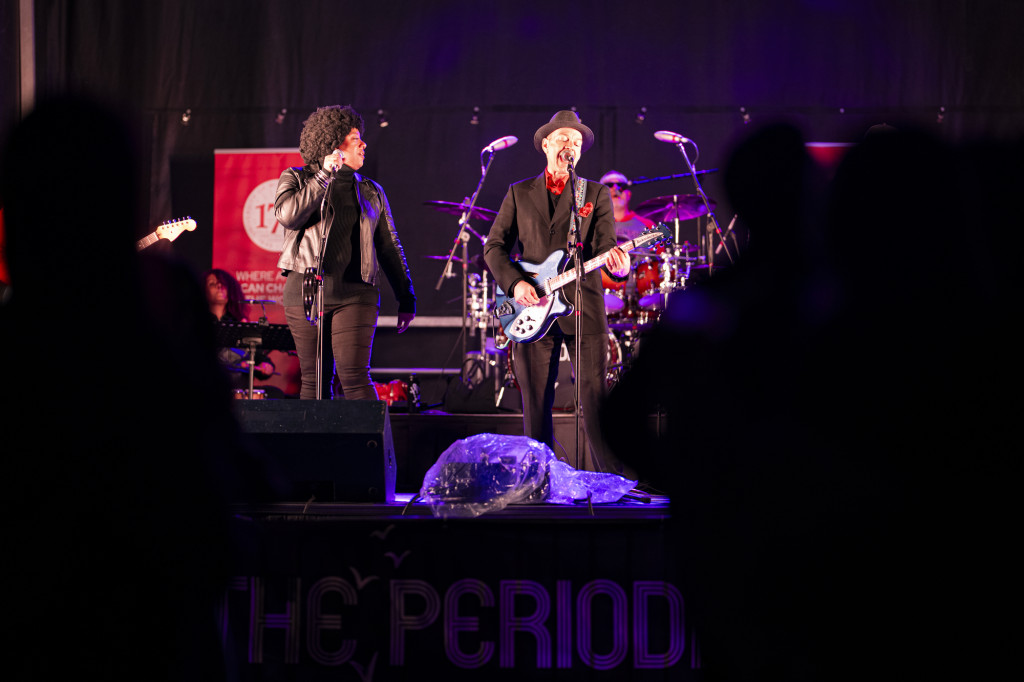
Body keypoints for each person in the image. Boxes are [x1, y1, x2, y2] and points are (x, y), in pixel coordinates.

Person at [484, 110, 631, 473]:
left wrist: (620, 265)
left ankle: (613, 481)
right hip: (531, 306)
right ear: (546, 144)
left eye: (578, 142)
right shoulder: (519, 192)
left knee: (596, 400)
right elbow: (494, 247)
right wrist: (516, 283)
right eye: (565, 138)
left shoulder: (594, 193)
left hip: (583, 307)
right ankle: (538, 479)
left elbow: (605, 247)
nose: (572, 146)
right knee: (536, 402)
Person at [274, 105, 416, 400]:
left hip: (357, 294)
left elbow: (390, 245)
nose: (364, 144)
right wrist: (324, 176)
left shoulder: (372, 190)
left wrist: (406, 296)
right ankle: (315, 447)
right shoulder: (296, 178)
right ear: (333, 144)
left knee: (355, 378)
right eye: (355, 139)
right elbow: (288, 216)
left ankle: (369, 446)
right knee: (314, 382)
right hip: (306, 292)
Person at [204, 267, 276, 389]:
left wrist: (266, 366)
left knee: (275, 393)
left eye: (223, 284)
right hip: (207, 386)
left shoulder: (241, 325)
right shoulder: (198, 323)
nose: (219, 287)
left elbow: (259, 358)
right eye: (212, 284)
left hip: (238, 388)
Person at [598, 169, 654, 242]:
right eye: (609, 185)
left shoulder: (648, 226)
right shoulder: (590, 226)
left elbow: (661, 253)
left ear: (629, 194)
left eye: (621, 185)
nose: (615, 188)